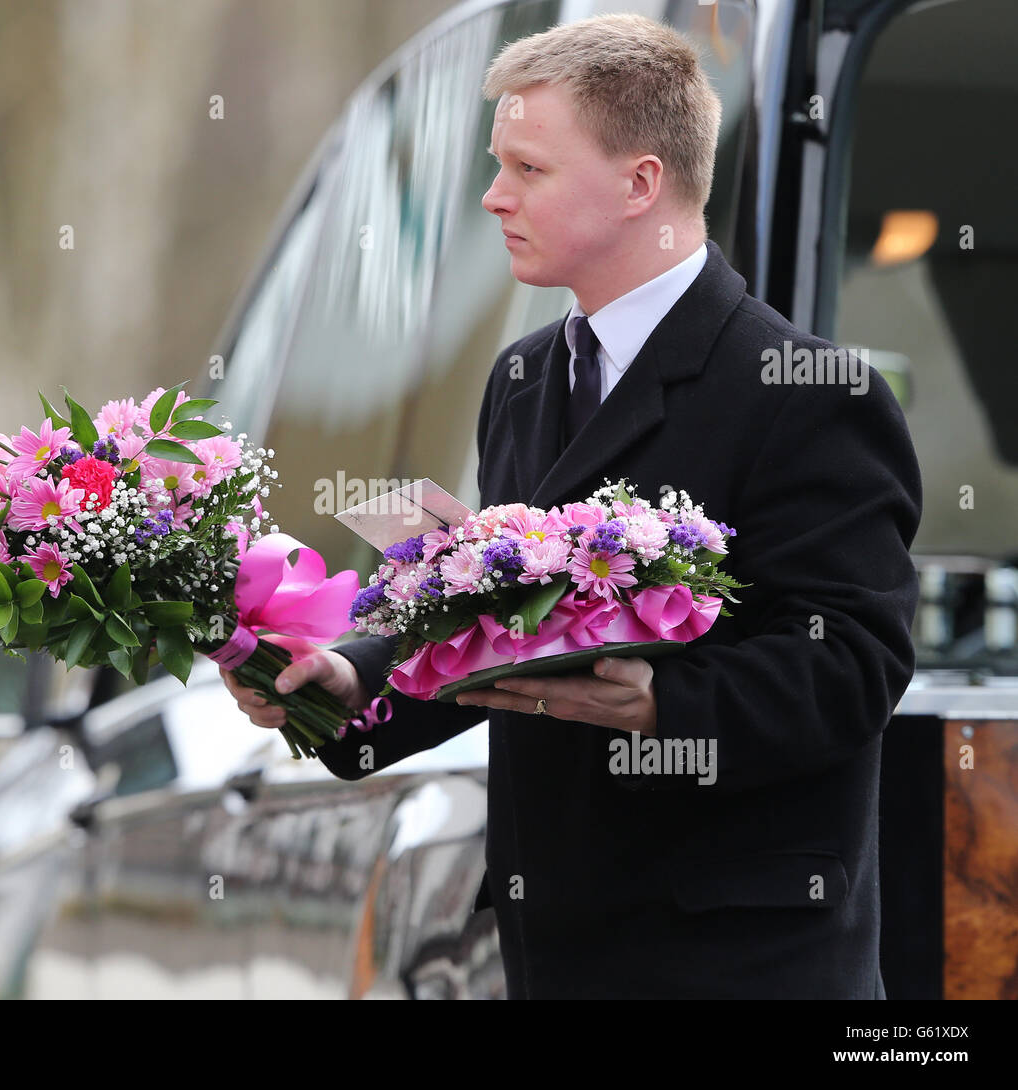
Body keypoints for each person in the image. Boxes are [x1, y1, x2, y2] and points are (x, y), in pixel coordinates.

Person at [220, 13, 921, 999]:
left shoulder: (806, 390)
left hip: (742, 964)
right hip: (552, 954)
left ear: (641, 183)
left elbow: (853, 666)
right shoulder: (520, 378)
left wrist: (664, 704)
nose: (492, 195)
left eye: (528, 169)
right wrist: (337, 692)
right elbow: (498, 624)